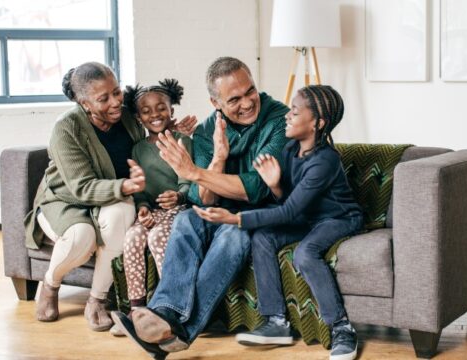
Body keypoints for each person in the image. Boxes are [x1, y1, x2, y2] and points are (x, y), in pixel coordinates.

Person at [111, 56, 289, 358]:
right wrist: (218, 158)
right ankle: (166, 311)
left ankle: (181, 330)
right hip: (220, 211)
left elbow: (256, 189)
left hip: (262, 213)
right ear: (215, 102)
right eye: (234, 99)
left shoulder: (277, 119)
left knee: (233, 235)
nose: (247, 103)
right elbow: (204, 199)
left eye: (250, 91)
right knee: (186, 220)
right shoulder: (208, 131)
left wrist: (195, 172)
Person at [191, 85, 364, 360]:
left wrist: (236, 218)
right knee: (263, 237)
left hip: (338, 218)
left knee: (305, 253)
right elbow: (289, 204)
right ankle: (276, 322)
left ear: (318, 123)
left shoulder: (325, 162)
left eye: (295, 112)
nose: (287, 115)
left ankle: (341, 328)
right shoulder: (289, 149)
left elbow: (287, 213)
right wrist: (274, 186)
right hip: (306, 217)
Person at [23, 61, 147, 332]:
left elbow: (147, 146)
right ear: (84, 103)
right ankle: (51, 283)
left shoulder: (127, 117)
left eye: (117, 92)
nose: (115, 102)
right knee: (82, 237)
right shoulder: (66, 128)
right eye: (103, 98)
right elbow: (82, 187)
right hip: (64, 199)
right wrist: (125, 186)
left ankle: (97, 300)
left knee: (122, 213)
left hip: (109, 199)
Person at [109, 79, 193, 337]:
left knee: (158, 237)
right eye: (146, 111)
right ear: (138, 117)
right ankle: (137, 311)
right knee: (133, 237)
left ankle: (168, 308)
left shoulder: (182, 140)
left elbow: (189, 180)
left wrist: (178, 197)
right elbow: (141, 190)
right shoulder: (138, 149)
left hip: (180, 208)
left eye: (161, 108)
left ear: (172, 111)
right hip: (153, 211)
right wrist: (143, 207)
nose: (154, 114)